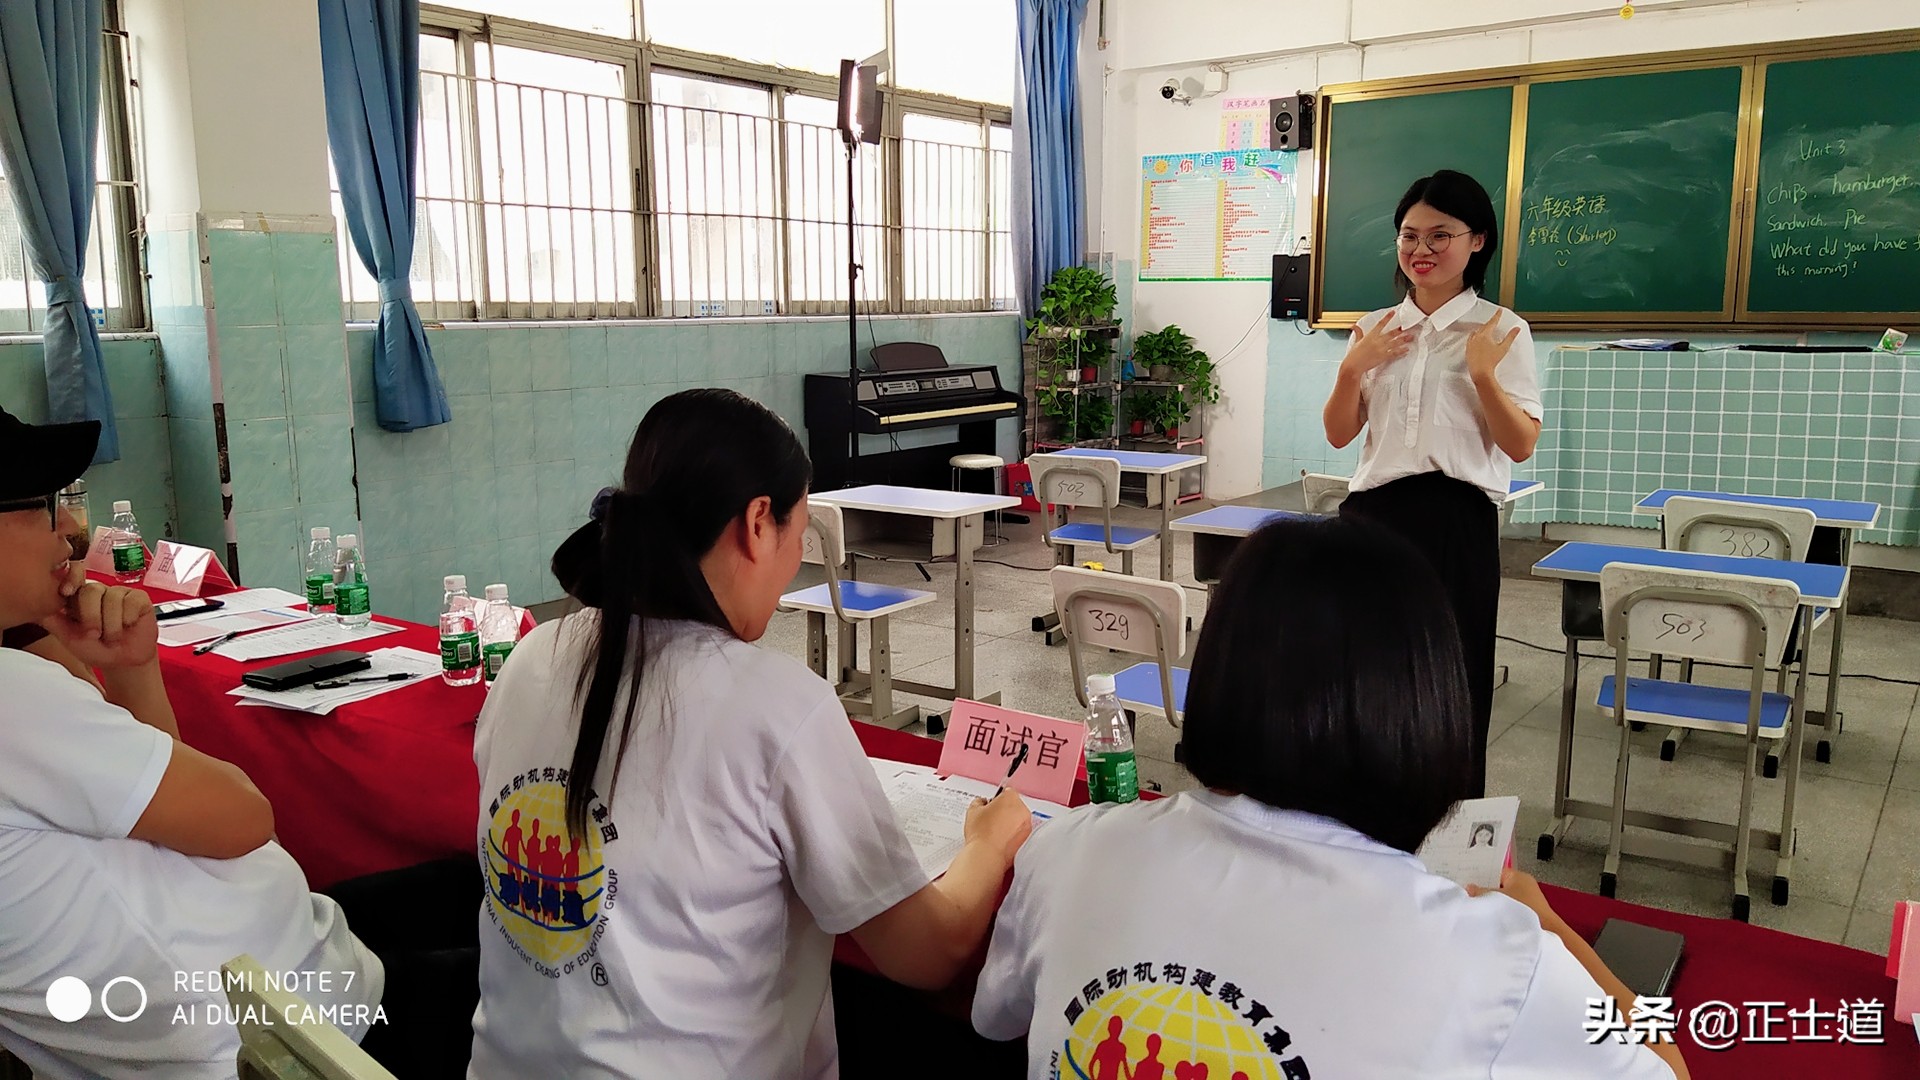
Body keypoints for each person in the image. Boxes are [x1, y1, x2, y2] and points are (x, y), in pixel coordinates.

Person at [973, 518, 1688, 1080]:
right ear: (1427, 705)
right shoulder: (1496, 956)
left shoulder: (1070, 847)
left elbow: (997, 1019)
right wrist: (1547, 924)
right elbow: (1665, 1073)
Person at [468, 388, 1032, 1078]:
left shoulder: (532, 656)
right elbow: (929, 953)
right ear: (758, 522)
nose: (797, 556)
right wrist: (990, 841)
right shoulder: (776, 706)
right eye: (800, 532)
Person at [0, 406, 383, 1077]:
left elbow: (156, 809)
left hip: (245, 1001)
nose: (69, 530)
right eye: (42, 505)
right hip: (282, 1038)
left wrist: (131, 667)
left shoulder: (27, 677)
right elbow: (241, 818)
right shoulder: (15, 699)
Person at [1321, 169, 1544, 796]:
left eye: (1440, 235)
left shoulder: (1502, 331)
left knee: (1452, 673)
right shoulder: (1373, 328)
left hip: (1455, 522)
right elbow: (1341, 435)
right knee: (1364, 667)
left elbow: (1520, 445)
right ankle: (1362, 801)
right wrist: (1349, 370)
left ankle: (1448, 817)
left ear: (1477, 242)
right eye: (1409, 235)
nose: (1421, 250)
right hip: (1371, 518)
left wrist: (1483, 378)